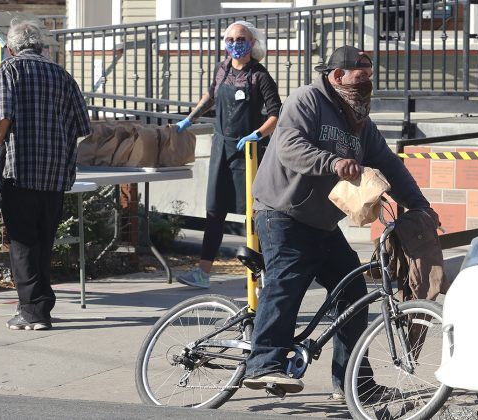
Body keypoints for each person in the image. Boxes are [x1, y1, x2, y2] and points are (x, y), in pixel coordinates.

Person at [241, 46, 438, 398]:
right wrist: (332, 163)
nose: (367, 88)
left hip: (322, 223)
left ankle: (353, 384)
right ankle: (264, 362)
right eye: (360, 80)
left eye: (370, 81)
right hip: (281, 210)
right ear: (337, 76)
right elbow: (288, 146)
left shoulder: (359, 122)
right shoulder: (307, 99)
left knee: (352, 293)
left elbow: (390, 165)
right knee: (288, 281)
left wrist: (419, 205)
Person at [0, 19, 91, 330]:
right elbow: (82, 127)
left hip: (20, 169)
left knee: (21, 242)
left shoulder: (9, 69)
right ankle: (40, 308)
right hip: (56, 173)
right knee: (44, 241)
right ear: (42, 46)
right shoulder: (62, 74)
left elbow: (1, 118)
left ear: (11, 48)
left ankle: (32, 312)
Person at [175, 21, 282, 289]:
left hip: (248, 153)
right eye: (230, 39)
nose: (235, 44)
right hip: (221, 149)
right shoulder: (222, 69)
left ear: (252, 43)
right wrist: (188, 120)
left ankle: (262, 276)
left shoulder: (260, 76)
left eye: (241, 38)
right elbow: (210, 96)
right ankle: (203, 272)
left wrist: (257, 135)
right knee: (214, 210)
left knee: (253, 215)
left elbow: (276, 115)